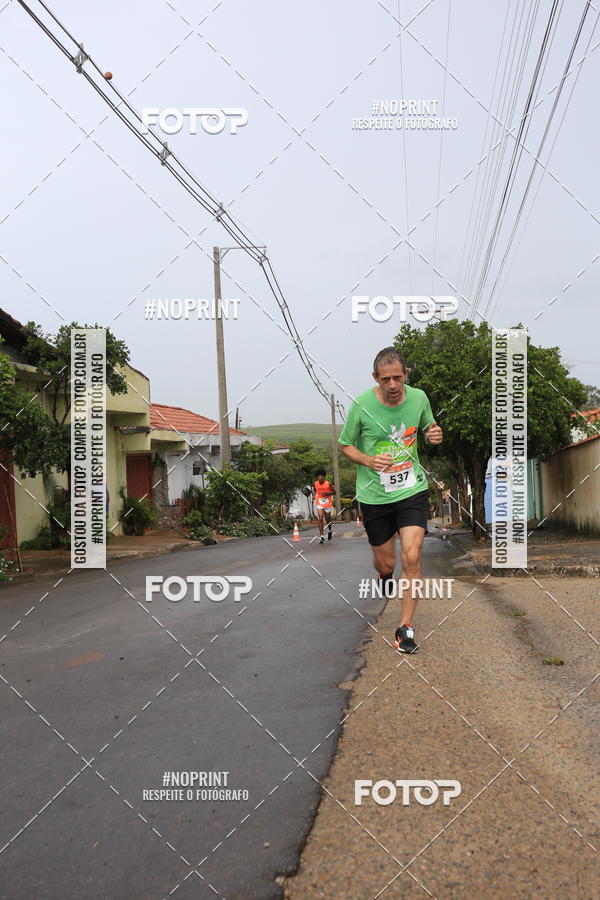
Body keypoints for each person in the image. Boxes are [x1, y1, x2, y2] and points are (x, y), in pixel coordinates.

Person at [338, 347, 443, 652]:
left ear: (406, 375)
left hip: (412, 490)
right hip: (374, 496)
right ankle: (384, 573)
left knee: (411, 555)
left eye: (398, 377)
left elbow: (428, 427)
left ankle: (406, 629)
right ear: (376, 378)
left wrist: (434, 435)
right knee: (387, 561)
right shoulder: (362, 405)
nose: (393, 385)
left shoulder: (419, 397)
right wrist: (368, 460)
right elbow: (345, 445)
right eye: (386, 379)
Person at [312, 469, 336, 544]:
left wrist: (327, 493)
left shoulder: (328, 483)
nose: (320, 477)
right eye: (319, 476)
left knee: (328, 518)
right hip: (319, 502)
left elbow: (334, 492)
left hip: (327, 502)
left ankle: (329, 530)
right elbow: (314, 490)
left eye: (322, 476)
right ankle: (321, 536)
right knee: (320, 517)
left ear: (324, 477)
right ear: (317, 477)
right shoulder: (315, 483)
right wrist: (313, 495)